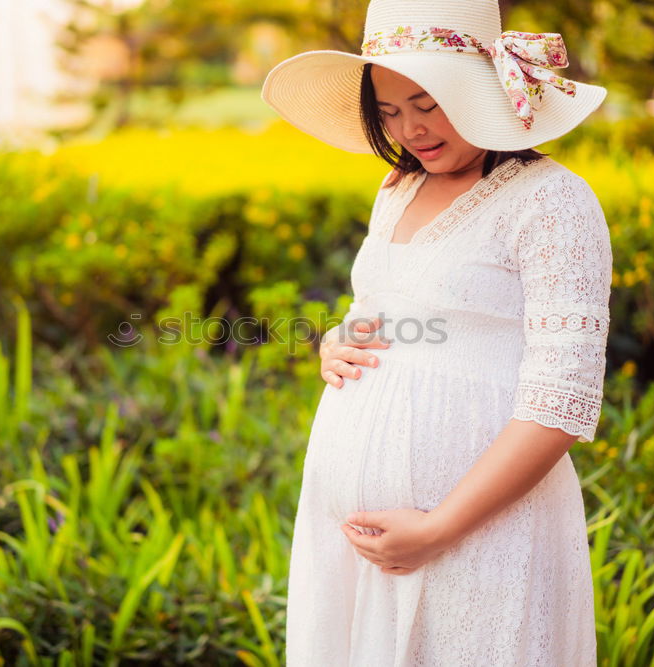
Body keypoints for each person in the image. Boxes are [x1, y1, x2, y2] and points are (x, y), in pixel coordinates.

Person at [260, 0, 612, 665]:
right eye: (389, 111)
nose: (410, 129)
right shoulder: (396, 187)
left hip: (478, 532)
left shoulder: (552, 200)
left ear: (481, 88)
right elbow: (391, 306)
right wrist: (340, 339)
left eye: (426, 102)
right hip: (353, 549)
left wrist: (438, 527)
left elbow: (559, 402)